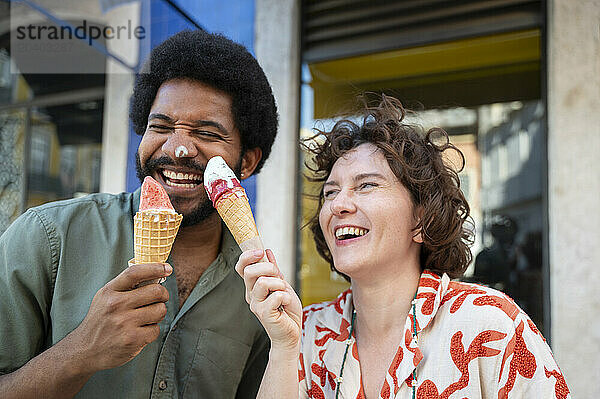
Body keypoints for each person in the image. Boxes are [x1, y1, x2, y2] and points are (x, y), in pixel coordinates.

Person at [0, 29, 278, 398]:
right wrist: (82, 350)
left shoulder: (257, 290)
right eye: (160, 126)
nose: (178, 148)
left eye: (206, 133)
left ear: (247, 161)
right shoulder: (47, 237)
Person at [236, 95, 570, 398]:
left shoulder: (490, 323)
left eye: (366, 185)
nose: (338, 205)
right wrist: (282, 346)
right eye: (330, 192)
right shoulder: (305, 332)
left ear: (421, 220)